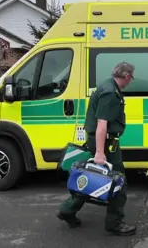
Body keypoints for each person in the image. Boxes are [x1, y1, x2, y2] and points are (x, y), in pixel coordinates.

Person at [57, 61, 136, 236]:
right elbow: (102, 124)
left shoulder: (107, 85)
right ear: (127, 76)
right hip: (105, 144)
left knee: (93, 178)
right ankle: (114, 223)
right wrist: (100, 152)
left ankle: (67, 210)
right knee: (118, 182)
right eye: (131, 78)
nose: (130, 82)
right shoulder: (110, 92)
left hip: (101, 141)